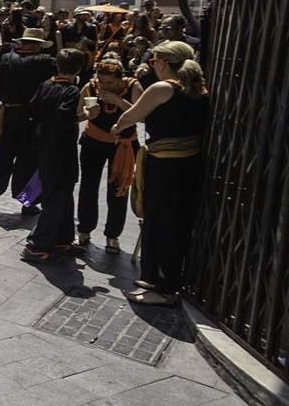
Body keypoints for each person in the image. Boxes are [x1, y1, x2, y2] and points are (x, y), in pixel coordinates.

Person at [112, 41, 209, 305]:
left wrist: (117, 127)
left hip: (165, 166)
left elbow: (132, 116)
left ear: (164, 63)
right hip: (183, 166)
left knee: (162, 222)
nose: (152, 65)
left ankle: (165, 288)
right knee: (163, 220)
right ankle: (154, 277)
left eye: (154, 61)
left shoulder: (163, 88)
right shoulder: (197, 88)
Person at [0, 27, 57, 217]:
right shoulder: (46, 62)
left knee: (1, 153)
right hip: (33, 117)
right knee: (30, 160)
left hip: (9, 113)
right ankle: (28, 203)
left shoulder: (6, 59)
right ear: (38, 45)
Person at [21, 49, 87, 262]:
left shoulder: (46, 85)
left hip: (44, 146)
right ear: (78, 69)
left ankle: (62, 239)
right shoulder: (70, 91)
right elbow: (65, 118)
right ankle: (36, 243)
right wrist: (86, 115)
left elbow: (32, 109)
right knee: (58, 195)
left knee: (64, 195)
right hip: (61, 150)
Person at [77, 57, 142, 253]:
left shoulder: (133, 87)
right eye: (102, 81)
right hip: (93, 141)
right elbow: (76, 112)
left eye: (110, 82)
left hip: (123, 145)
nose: (105, 86)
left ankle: (112, 235)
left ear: (121, 78)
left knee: (119, 189)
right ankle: (84, 230)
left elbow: (142, 114)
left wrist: (118, 101)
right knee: (88, 185)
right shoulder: (91, 87)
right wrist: (89, 114)